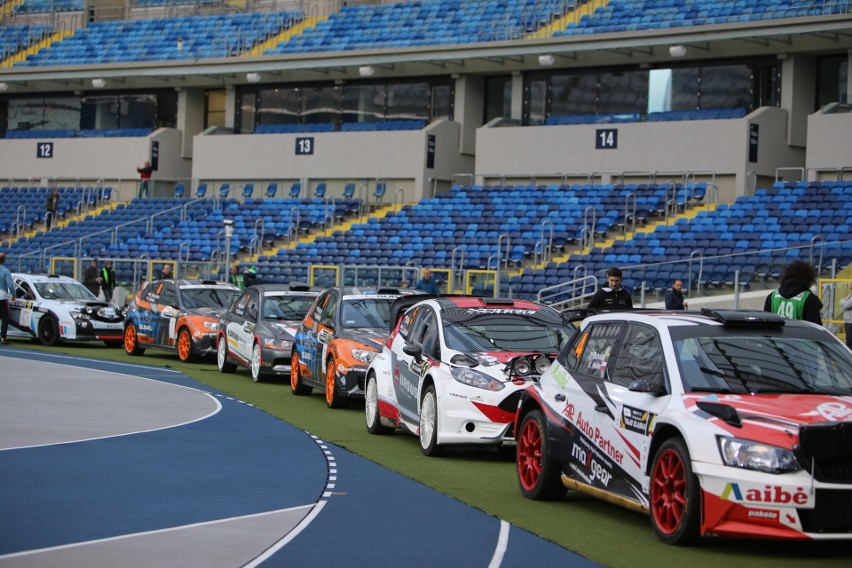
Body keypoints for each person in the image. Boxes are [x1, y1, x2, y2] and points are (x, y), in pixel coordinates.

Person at [763, 259, 823, 325]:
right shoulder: (810, 299)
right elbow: (815, 328)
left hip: (777, 335)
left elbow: (766, 325)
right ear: (809, 278)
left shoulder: (772, 297)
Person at [0, 252, 13, 345]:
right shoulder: (5, 271)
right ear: (4, 260)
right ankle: (3, 337)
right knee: (5, 317)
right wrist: (14, 295)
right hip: (2, 295)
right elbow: (11, 285)